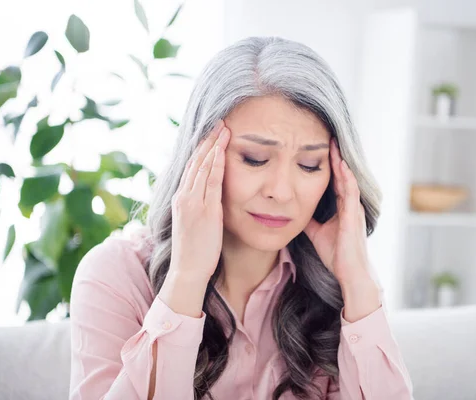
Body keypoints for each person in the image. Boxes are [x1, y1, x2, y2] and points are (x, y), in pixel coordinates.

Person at [68, 36, 413, 400]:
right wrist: (186, 279)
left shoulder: (341, 287)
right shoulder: (116, 275)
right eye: (254, 159)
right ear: (198, 157)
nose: (281, 191)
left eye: (309, 165)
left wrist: (358, 283)